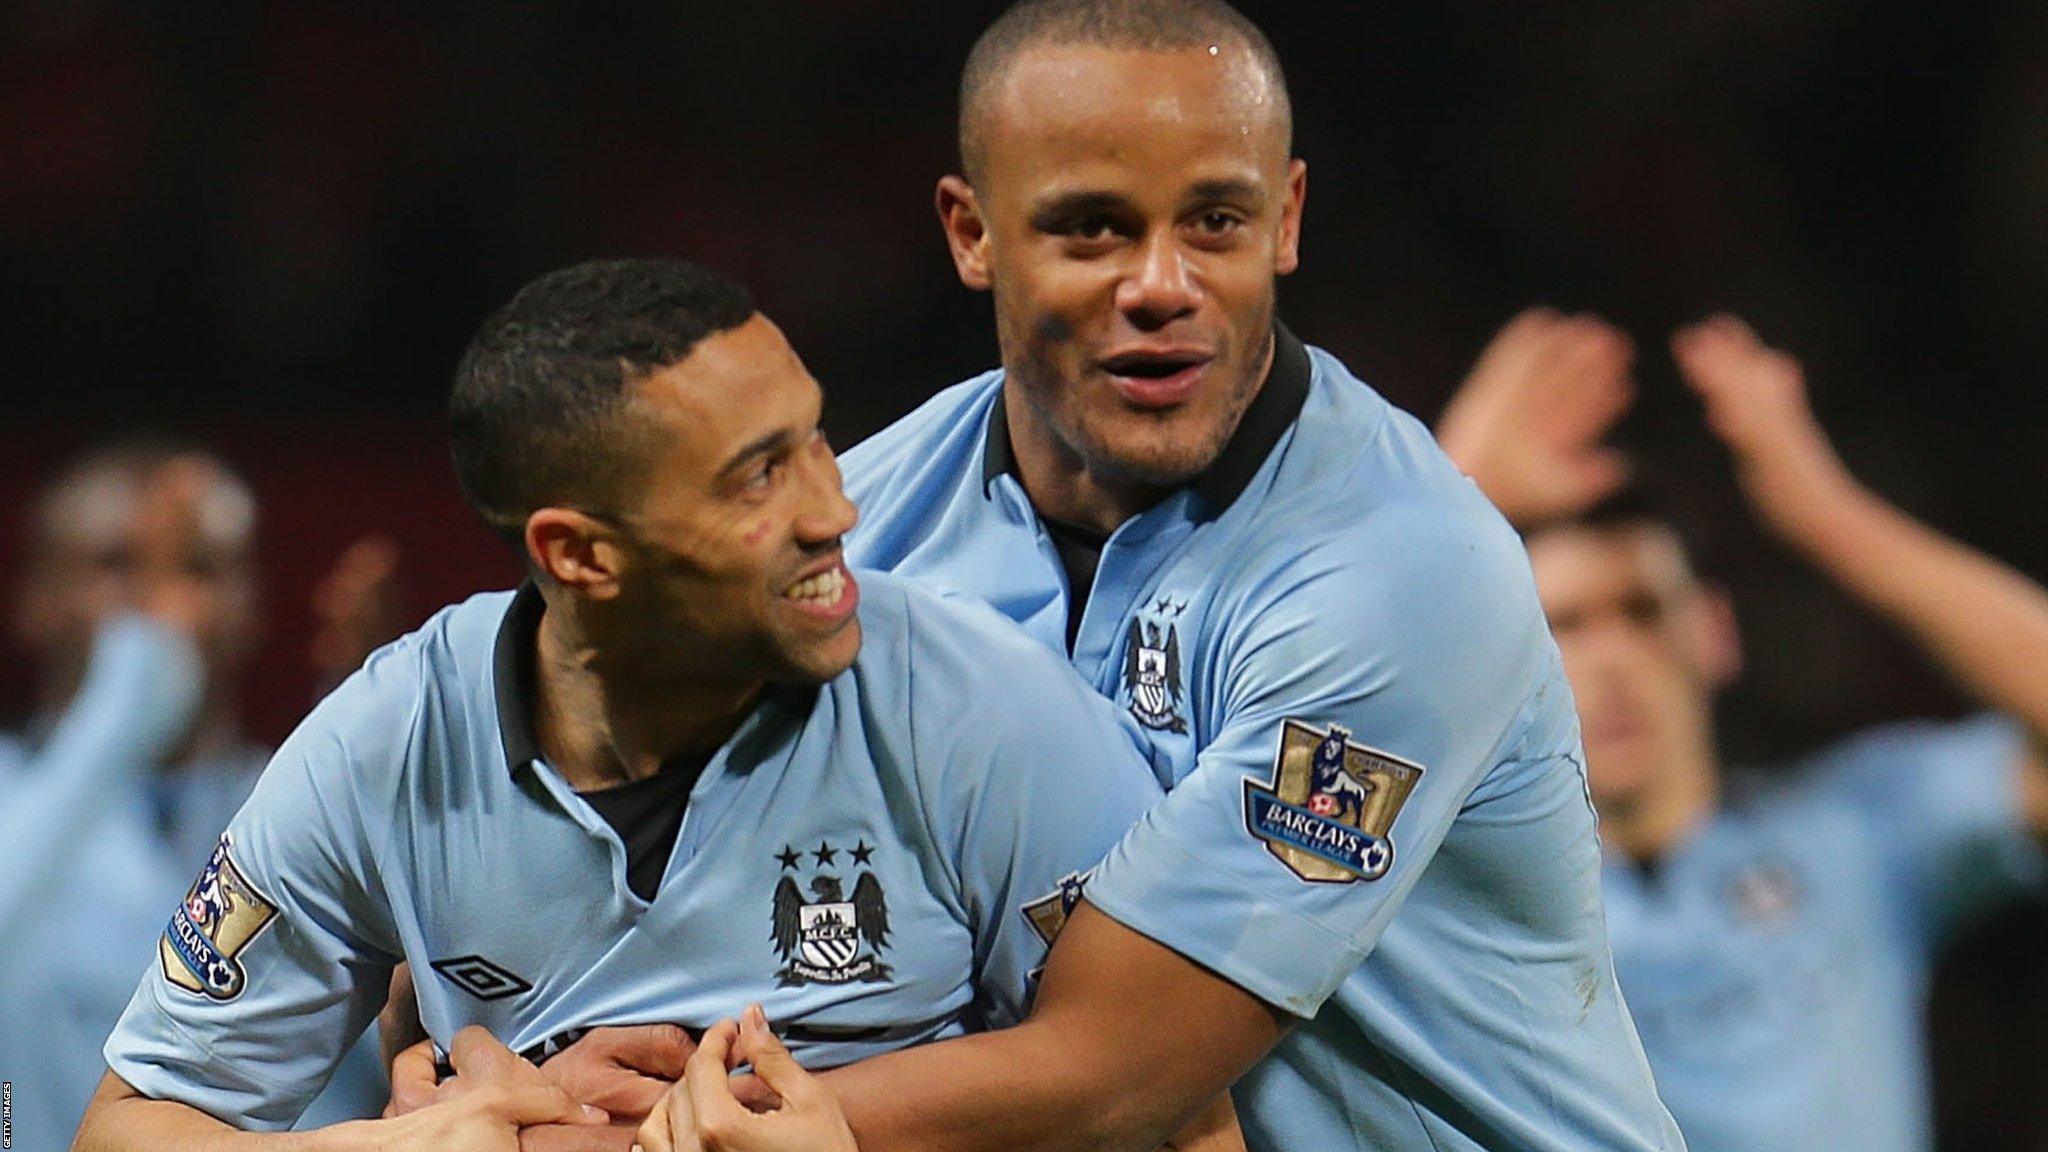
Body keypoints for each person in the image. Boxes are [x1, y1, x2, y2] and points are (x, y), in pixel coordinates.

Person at [589, 2, 1686, 1150]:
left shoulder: (1398, 570)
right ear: (971, 235)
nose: (1161, 283)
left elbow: (1112, 1077)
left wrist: (632, 1139)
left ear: (1286, 221)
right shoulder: (864, 531)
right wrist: (534, 1066)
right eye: (1091, 230)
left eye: (1214, 220)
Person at [71, 257, 1196, 1152]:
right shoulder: (385, 749)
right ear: (581, 555)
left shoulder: (979, 710)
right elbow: (126, 1128)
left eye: (814, 438)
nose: (834, 508)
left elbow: (1181, 1116)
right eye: (758, 476)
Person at [1437, 310, 2048, 1152]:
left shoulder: (1856, 831)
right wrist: (1442, 507)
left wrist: (1835, 522)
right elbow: (1276, 812)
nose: (1610, 659)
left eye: (1643, 612)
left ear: (1714, 631)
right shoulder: (1452, 905)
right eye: (1563, 627)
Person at [0, 443, 389, 1152]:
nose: (168, 606)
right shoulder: (15, 807)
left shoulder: (309, 812)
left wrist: (378, 800)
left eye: (202, 568)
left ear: (254, 606)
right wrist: (133, 693)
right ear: (34, 597)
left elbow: (394, 1055)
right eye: (120, 566)